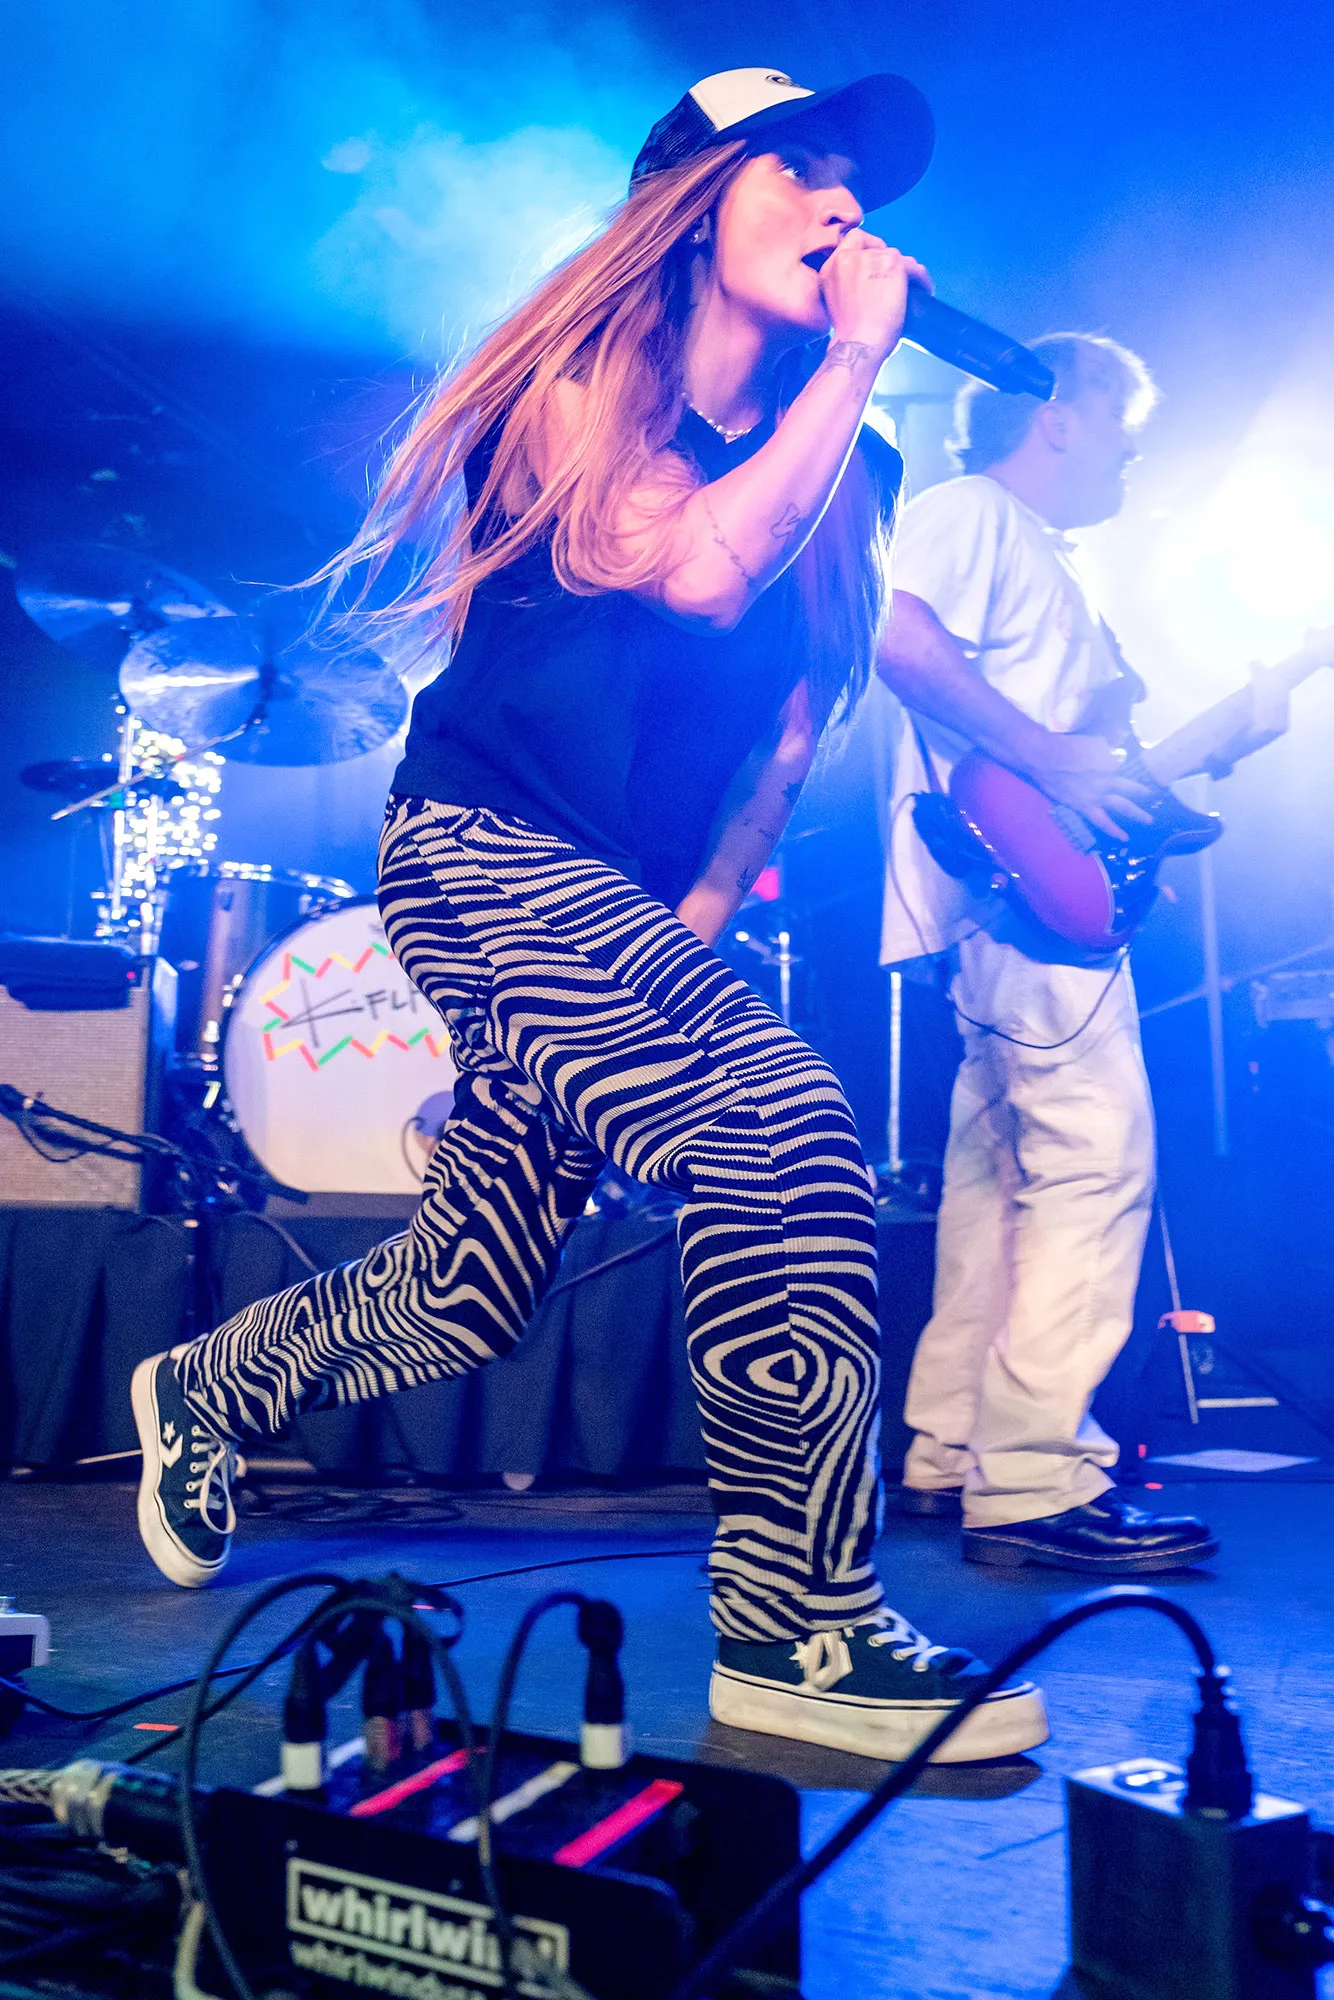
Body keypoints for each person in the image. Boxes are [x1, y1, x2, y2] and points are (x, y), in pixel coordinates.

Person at [130, 67, 1047, 1763]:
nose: (845, 207)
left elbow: (788, 729)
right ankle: (794, 1625)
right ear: (688, 202)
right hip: (476, 848)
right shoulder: (578, 381)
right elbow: (688, 570)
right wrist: (856, 356)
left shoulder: (846, 462)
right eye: (798, 170)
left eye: (856, 183)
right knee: (778, 1124)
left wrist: (685, 929)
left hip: (618, 904)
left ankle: (213, 1383)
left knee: (464, 1292)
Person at [877, 334, 1282, 1574]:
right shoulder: (971, 509)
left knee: (999, 1185)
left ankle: (951, 1449)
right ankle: (1035, 1479)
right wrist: (1052, 759)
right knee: (1094, 1165)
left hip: (1009, 903)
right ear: (1053, 414)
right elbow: (895, 636)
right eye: (1120, 423)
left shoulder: (1046, 558)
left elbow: (1087, 769)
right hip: (1018, 904)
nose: (1131, 450)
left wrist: (1220, 735)